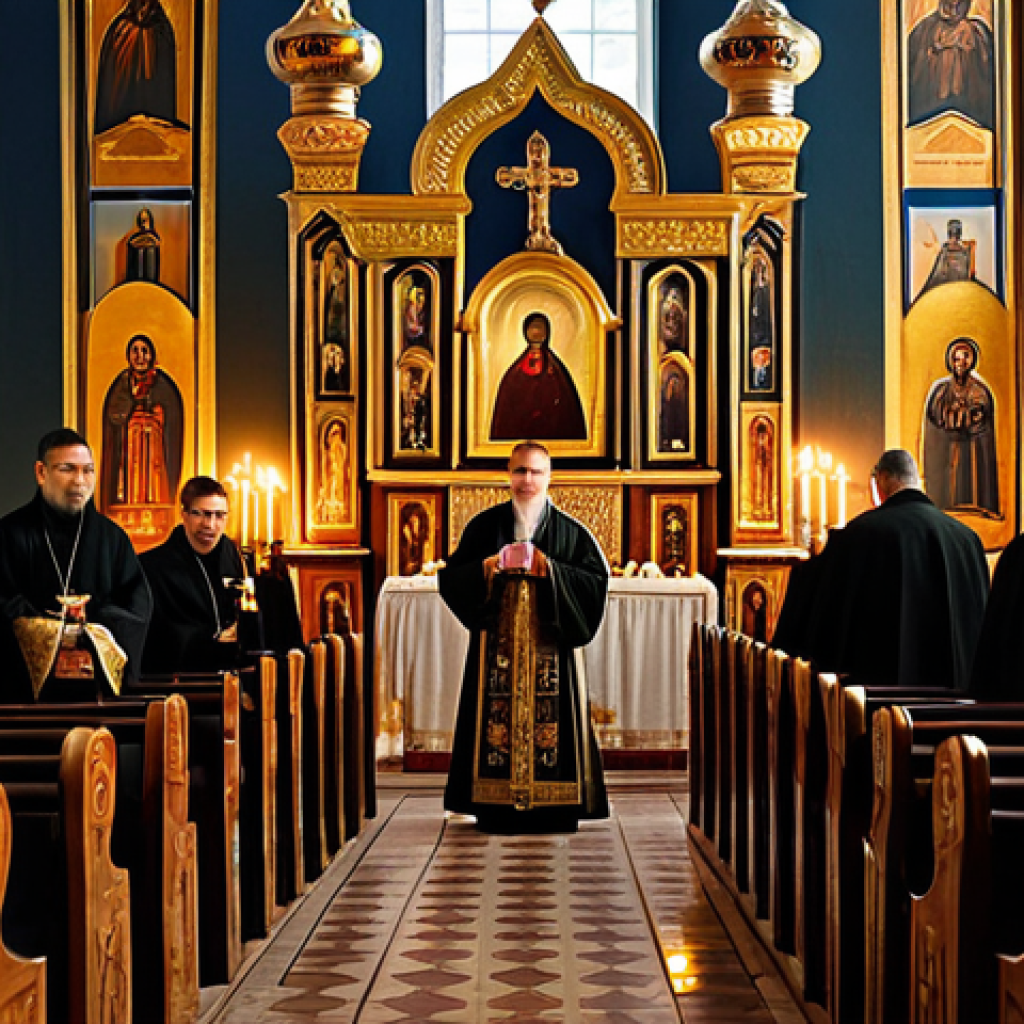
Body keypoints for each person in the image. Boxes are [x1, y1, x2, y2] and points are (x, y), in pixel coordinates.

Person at [439, 441, 610, 833]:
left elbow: (595, 581)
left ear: (549, 477)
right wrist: (489, 566)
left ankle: (557, 806)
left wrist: (548, 568)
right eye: (520, 471)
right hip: (496, 656)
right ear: (508, 475)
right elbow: (452, 577)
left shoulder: (571, 533)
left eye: (535, 472)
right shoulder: (484, 527)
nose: (527, 480)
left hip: (552, 658)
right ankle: (492, 803)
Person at [772, 449, 988, 690]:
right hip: (957, 705)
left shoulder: (860, 534)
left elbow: (823, 616)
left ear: (883, 478)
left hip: (878, 693)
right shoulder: (967, 540)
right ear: (917, 481)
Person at [0, 428, 152, 701]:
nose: (80, 481)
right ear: (41, 472)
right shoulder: (9, 533)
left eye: (88, 470)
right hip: (25, 697)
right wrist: (52, 632)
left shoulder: (112, 538)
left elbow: (138, 605)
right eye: (67, 469)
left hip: (97, 694)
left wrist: (90, 632)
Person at [140, 476, 247, 673]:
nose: (210, 524)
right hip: (180, 679)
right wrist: (212, 638)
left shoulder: (232, 555)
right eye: (203, 514)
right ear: (184, 514)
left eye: (219, 515)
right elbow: (156, 637)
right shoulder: (152, 566)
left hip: (231, 674)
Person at [101, 334, 184, 511]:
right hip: (130, 444)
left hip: (155, 444)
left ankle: (158, 502)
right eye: (135, 351)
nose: (140, 356)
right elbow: (115, 415)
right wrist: (130, 412)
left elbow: (172, 416)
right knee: (133, 473)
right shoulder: (123, 383)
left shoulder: (162, 383)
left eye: (144, 351)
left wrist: (157, 415)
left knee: (153, 473)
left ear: (152, 354)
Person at [922, 336, 998, 514]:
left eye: (965, 357)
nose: (961, 363)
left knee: (968, 479)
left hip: (970, 449)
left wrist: (964, 415)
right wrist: (952, 415)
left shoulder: (979, 390)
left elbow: (979, 414)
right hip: (946, 448)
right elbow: (937, 414)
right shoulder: (941, 389)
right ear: (951, 361)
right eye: (957, 358)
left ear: (972, 361)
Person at [490, 312, 587, 441]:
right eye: (532, 328)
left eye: (540, 328)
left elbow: (564, 399)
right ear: (525, 331)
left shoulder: (556, 369)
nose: (536, 332)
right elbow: (508, 399)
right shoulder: (515, 371)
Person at [94, 0, 183, 136]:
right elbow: (111, 95)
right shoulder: (120, 32)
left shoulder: (162, 31)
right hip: (118, 135)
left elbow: (163, 88)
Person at [907, 0, 995, 130]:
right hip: (929, 124)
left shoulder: (980, 34)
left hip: (972, 125)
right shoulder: (922, 33)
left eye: (960, 3)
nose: (954, 7)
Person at [920, 218, 976, 296]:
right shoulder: (947, 250)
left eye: (956, 230)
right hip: (947, 292)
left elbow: (969, 274)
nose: (955, 234)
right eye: (954, 230)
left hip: (957, 292)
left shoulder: (964, 252)